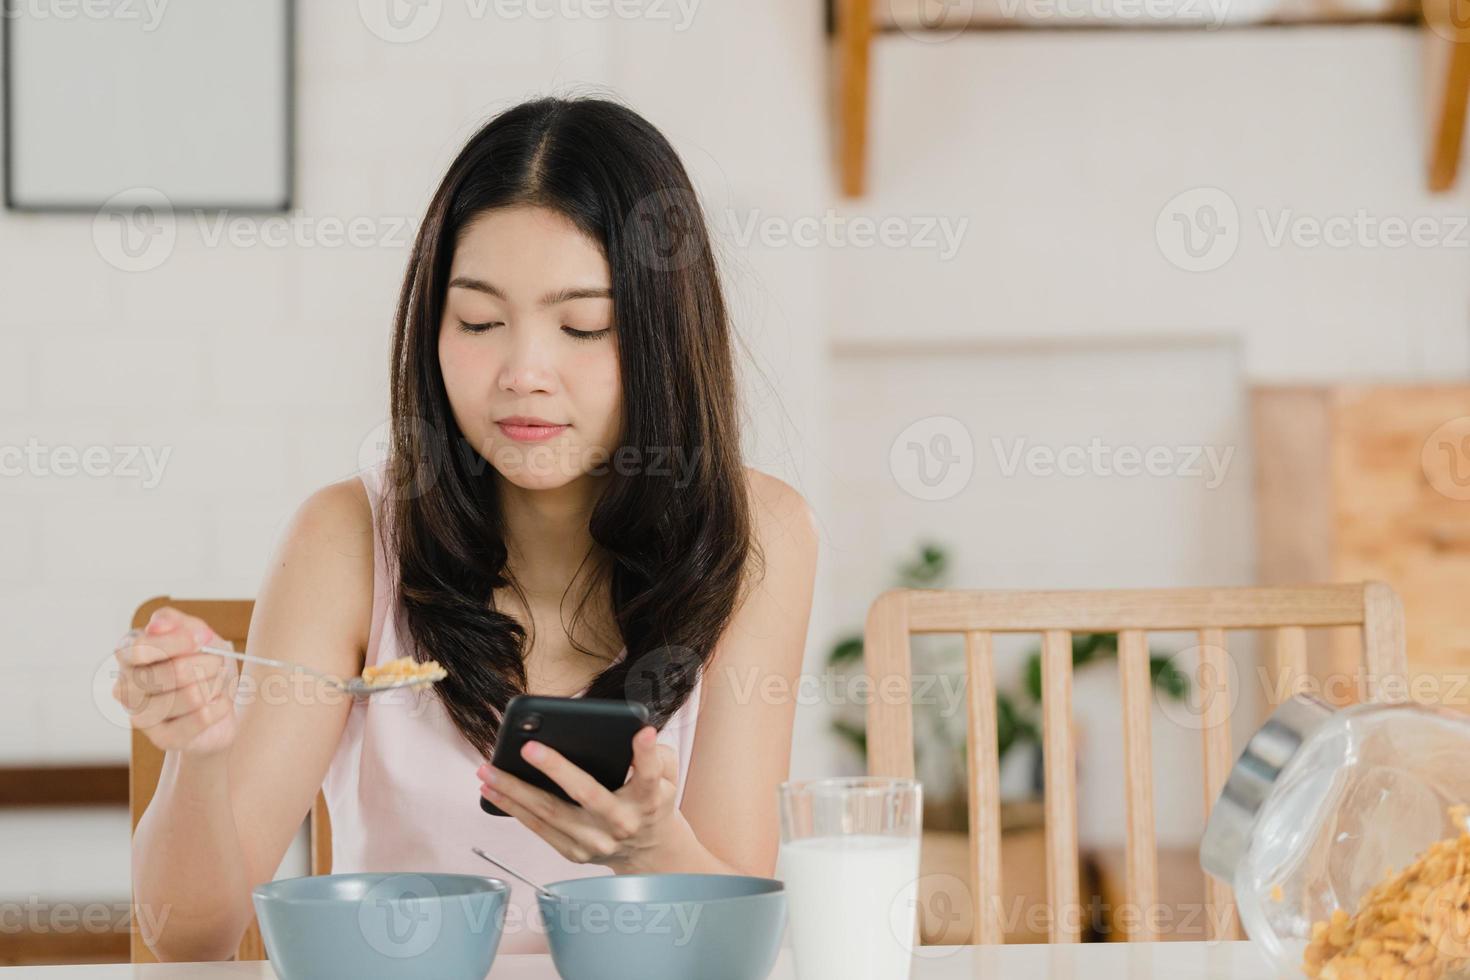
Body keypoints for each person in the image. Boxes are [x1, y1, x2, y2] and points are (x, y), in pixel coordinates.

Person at [114, 95, 819, 959]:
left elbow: (727, 957)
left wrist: (648, 846)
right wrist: (201, 755)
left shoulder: (759, 535)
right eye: (480, 322)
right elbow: (187, 940)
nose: (523, 372)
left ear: (664, 334)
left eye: (582, 326)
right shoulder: (348, 536)